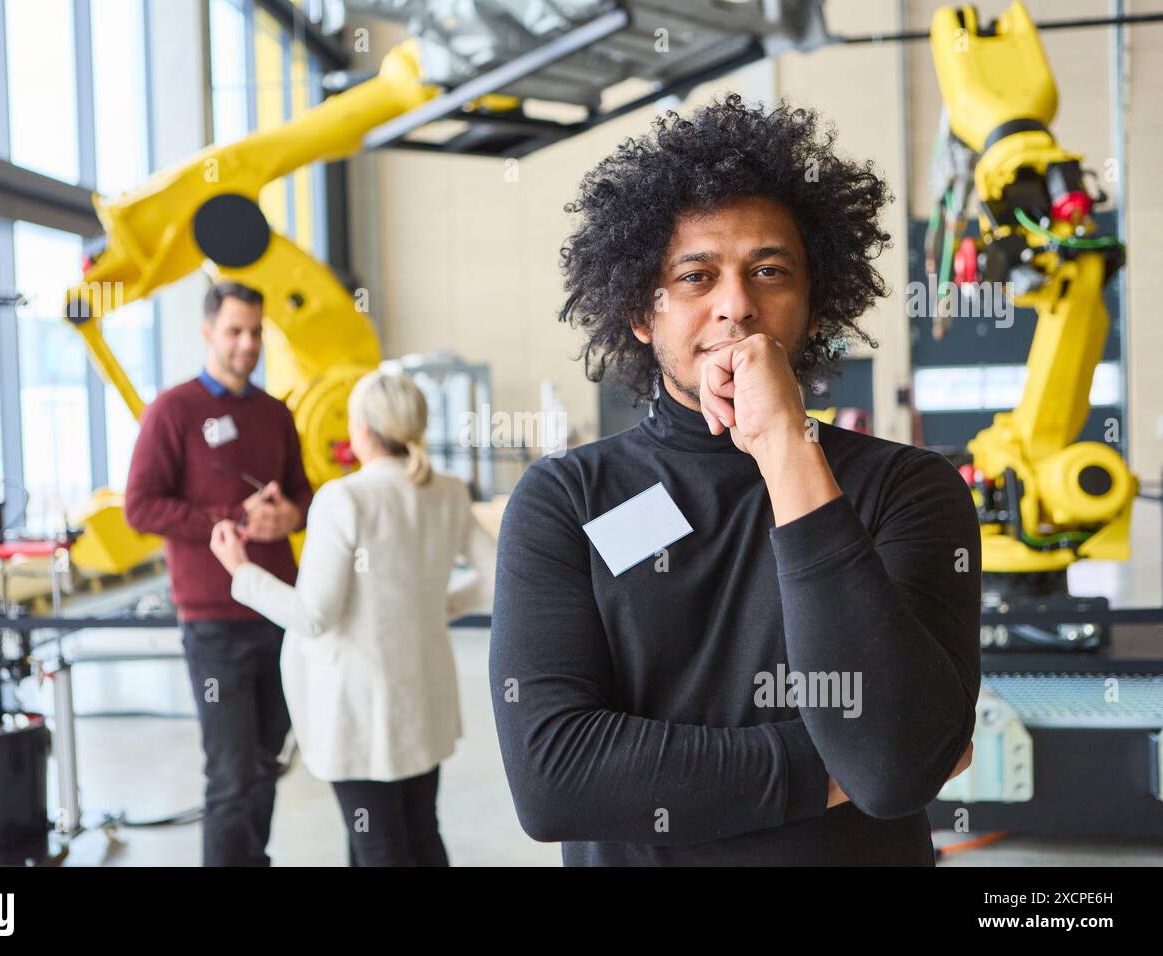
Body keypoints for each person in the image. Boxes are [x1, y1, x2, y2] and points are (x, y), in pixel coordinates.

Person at [489, 94, 981, 866]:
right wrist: (831, 765)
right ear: (641, 313)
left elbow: (887, 768)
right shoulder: (566, 500)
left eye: (770, 270)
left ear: (816, 306)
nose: (737, 305)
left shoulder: (907, 489)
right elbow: (555, 780)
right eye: (696, 275)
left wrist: (785, 444)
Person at [209, 370, 497, 866]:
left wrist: (241, 570)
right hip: (423, 700)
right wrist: (434, 605)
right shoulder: (448, 491)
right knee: (421, 833)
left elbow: (313, 616)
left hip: (360, 712)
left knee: (378, 844)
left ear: (361, 430)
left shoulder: (344, 499)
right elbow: (498, 577)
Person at [124, 280, 312, 867]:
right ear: (208, 332)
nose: (247, 344)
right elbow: (140, 506)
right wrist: (231, 518)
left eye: (255, 332)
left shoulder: (275, 413)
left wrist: (291, 514)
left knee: (265, 762)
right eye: (235, 331)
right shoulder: (172, 411)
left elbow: (303, 492)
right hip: (215, 623)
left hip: (278, 612)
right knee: (230, 776)